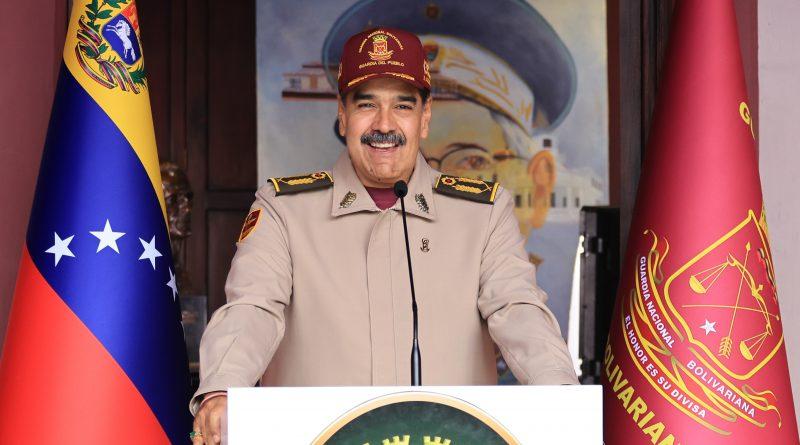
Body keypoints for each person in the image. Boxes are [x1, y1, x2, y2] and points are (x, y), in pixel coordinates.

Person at [189, 27, 577, 444]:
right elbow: (252, 309)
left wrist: (559, 391)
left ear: (425, 118)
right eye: (367, 104)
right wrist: (223, 387)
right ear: (342, 115)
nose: (384, 124)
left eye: (403, 105)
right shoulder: (284, 208)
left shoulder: (482, 213)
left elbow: (516, 309)